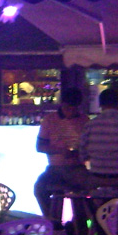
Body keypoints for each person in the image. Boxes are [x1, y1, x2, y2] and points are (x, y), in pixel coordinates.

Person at [33, 87, 89, 224]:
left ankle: (79, 224)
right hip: (55, 168)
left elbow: (89, 147)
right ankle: (52, 221)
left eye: (74, 109)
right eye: (68, 108)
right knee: (39, 189)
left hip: (77, 167)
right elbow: (40, 147)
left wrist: (78, 153)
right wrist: (59, 151)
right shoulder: (49, 120)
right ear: (62, 105)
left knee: (83, 192)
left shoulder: (84, 121)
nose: (71, 112)